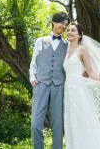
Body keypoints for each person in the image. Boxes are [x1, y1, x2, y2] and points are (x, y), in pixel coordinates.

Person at [30, 12, 70, 149]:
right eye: (61, 23)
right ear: (53, 22)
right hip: (41, 83)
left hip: (59, 85)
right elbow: (33, 63)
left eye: (66, 24)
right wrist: (33, 79)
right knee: (35, 123)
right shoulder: (40, 41)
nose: (64, 26)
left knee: (57, 124)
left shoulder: (67, 44)